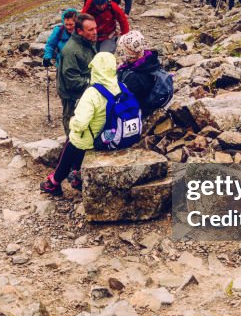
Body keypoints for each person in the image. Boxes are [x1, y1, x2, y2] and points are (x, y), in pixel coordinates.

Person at [41, 52, 121, 196]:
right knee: (80, 156)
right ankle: (77, 178)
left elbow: (81, 123)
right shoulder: (118, 86)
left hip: (85, 137)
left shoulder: (92, 92)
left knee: (66, 157)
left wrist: (72, 124)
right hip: (104, 136)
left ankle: (54, 183)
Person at [58, 13, 98, 135]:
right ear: (80, 31)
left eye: (95, 28)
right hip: (72, 97)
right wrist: (95, 84)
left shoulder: (88, 42)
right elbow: (72, 81)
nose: (95, 32)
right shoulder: (70, 51)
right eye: (91, 29)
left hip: (86, 93)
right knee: (73, 129)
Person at [115, 31, 166, 117]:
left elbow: (122, 98)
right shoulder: (150, 59)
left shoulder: (134, 78)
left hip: (137, 111)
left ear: (129, 53)